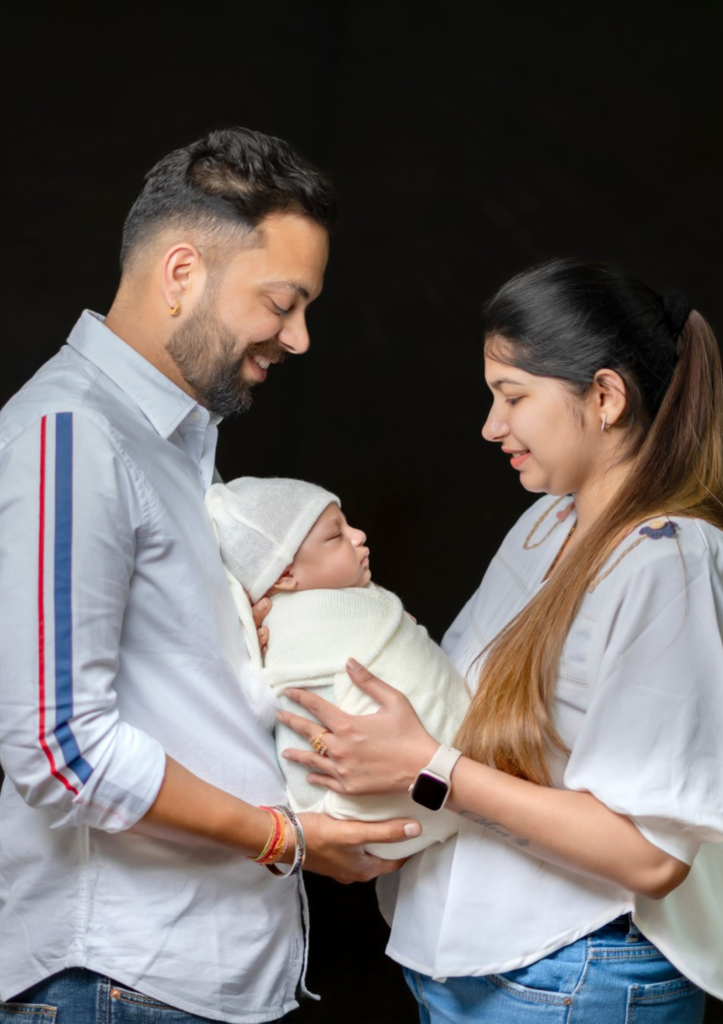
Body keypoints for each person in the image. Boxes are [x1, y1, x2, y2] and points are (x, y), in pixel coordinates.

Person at [0, 127, 422, 1024]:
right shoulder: (68, 435)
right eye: (283, 302)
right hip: (119, 978)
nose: (300, 338)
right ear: (182, 271)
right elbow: (58, 749)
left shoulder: (179, 445)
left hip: (202, 971)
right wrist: (287, 839)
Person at [278, 258, 723, 1023]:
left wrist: (427, 768)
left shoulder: (668, 561)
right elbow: (458, 700)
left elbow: (650, 856)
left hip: (574, 972)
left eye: (512, 396)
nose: (490, 426)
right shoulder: (548, 521)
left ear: (607, 396)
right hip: (477, 969)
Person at [205, 475, 471, 859]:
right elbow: (300, 745)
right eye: (336, 536)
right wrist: (325, 814)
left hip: (460, 781)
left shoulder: (351, 603)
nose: (359, 535)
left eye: (348, 524)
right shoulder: (300, 644)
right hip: (403, 810)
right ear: (283, 575)